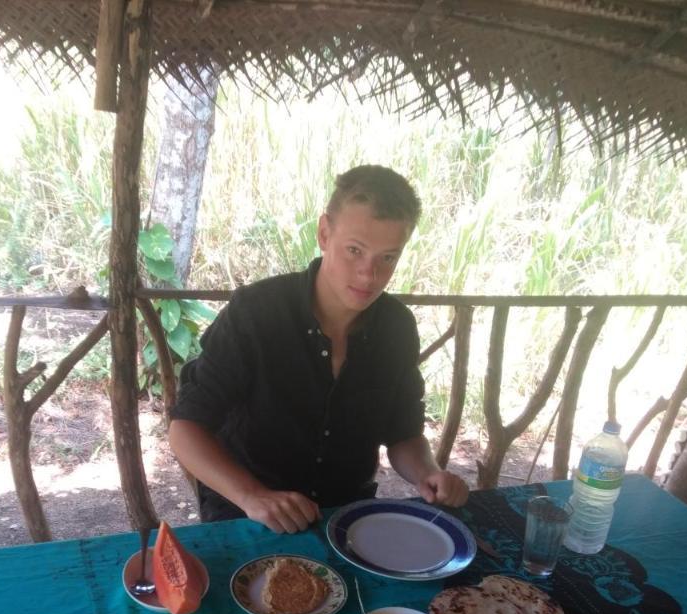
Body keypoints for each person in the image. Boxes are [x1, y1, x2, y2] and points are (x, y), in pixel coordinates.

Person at [168, 165, 469, 533]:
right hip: (247, 514)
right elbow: (186, 427)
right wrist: (252, 496)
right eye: (355, 250)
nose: (368, 274)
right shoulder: (257, 312)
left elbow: (403, 432)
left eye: (387, 257)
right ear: (325, 233)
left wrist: (428, 473)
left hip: (347, 517)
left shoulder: (397, 328)